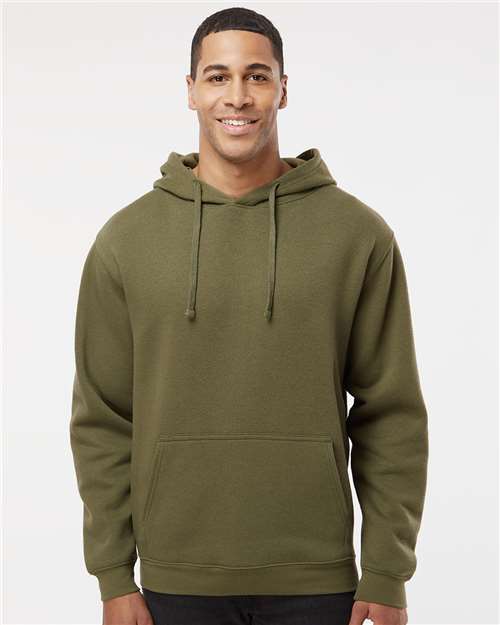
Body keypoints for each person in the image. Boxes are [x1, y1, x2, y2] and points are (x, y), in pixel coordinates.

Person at [69, 6, 428, 625]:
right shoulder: (125, 240)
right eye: (218, 76)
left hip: (319, 577)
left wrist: (387, 571)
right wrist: (112, 574)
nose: (237, 96)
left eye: (257, 76)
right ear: (190, 90)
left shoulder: (357, 235)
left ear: (283, 90)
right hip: (172, 577)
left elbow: (390, 413)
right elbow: (102, 419)